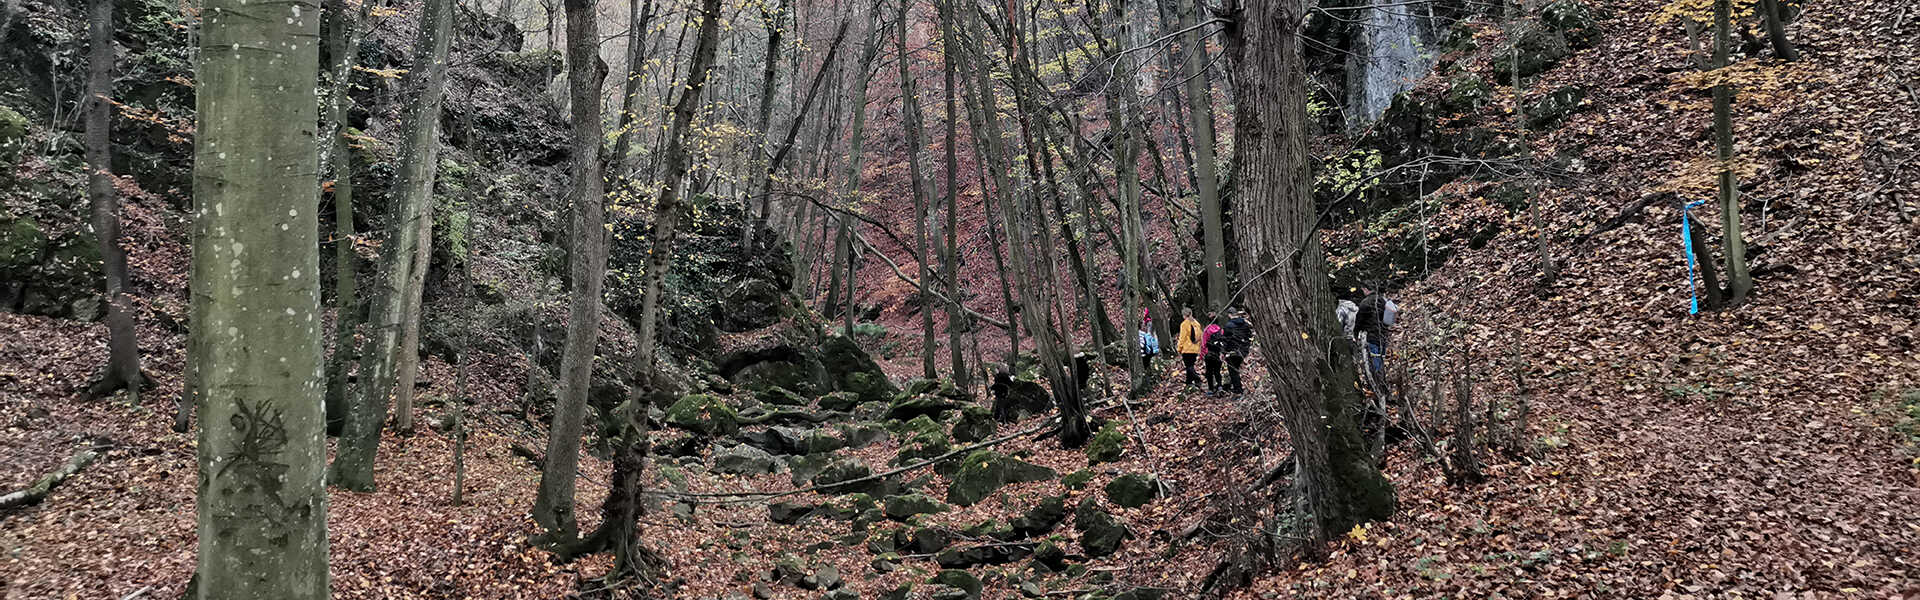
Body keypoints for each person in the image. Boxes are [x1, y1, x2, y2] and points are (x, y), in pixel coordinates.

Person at [1352, 287, 1400, 381]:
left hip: (1371, 336)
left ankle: (1378, 382)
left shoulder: (1365, 303)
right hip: (1383, 335)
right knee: (1381, 358)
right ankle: (1383, 379)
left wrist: (1355, 333)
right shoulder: (1383, 300)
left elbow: (1359, 321)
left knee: (1375, 359)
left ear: (1366, 289)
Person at [1221, 308, 1254, 394]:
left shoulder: (1228, 325)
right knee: (1236, 369)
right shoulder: (1245, 324)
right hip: (1243, 351)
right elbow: (1249, 336)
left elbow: (1225, 340)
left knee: (1233, 371)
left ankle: (1238, 390)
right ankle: (1236, 387)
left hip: (1232, 351)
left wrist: (1223, 352)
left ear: (1229, 315)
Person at [1176, 307, 1203, 389]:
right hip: (1195, 349)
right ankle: (1189, 382)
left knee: (1189, 366)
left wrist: (1179, 348)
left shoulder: (1184, 324)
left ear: (1184, 315)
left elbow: (1182, 338)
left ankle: (1197, 379)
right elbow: (1200, 337)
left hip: (1187, 348)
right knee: (1191, 365)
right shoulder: (1197, 324)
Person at [1200, 313, 1224, 396]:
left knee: (1209, 372)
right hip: (1218, 354)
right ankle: (1220, 386)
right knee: (1217, 371)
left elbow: (1203, 344)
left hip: (1209, 354)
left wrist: (1202, 355)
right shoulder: (1220, 330)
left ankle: (1211, 389)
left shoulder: (1206, 330)